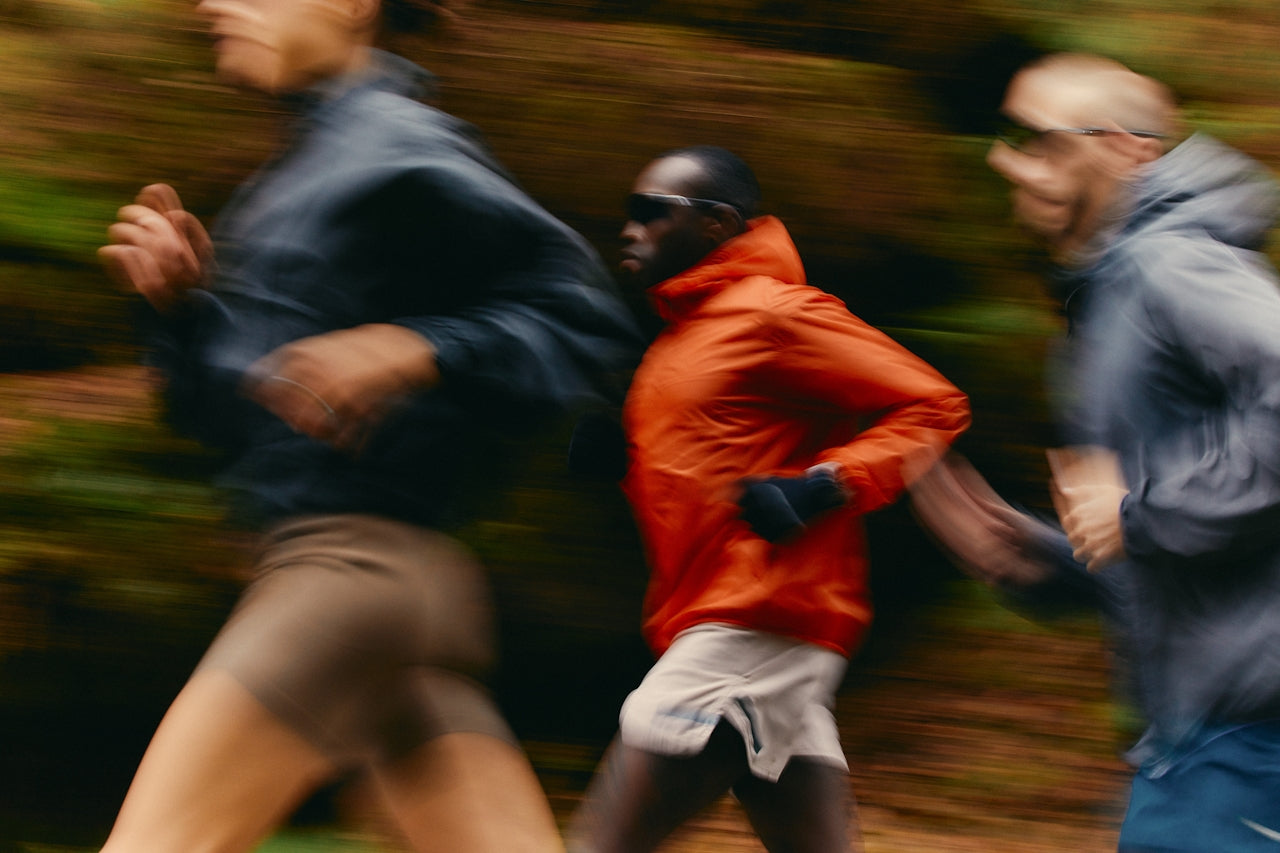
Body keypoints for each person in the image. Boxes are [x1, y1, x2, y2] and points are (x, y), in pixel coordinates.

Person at [94, 0, 641, 850]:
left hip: (345, 585)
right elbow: (246, 420)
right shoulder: (298, 172)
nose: (213, 4)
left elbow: (583, 317)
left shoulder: (399, 144)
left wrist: (418, 348)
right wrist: (179, 313)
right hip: (407, 596)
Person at [908, 53, 1280, 852]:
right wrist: (1045, 559)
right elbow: (1191, 540)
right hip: (1200, 734)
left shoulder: (1173, 266)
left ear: (1125, 147)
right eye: (1003, 138)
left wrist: (1140, 514)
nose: (1006, 161)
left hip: (1251, 734)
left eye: (1035, 138)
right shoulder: (1105, 304)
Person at [566, 145, 971, 853]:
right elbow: (709, 472)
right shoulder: (681, 339)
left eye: (651, 211)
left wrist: (826, 483)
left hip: (757, 616)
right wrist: (623, 463)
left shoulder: (776, 313)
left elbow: (934, 405)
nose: (630, 228)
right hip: (720, 617)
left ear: (718, 224)